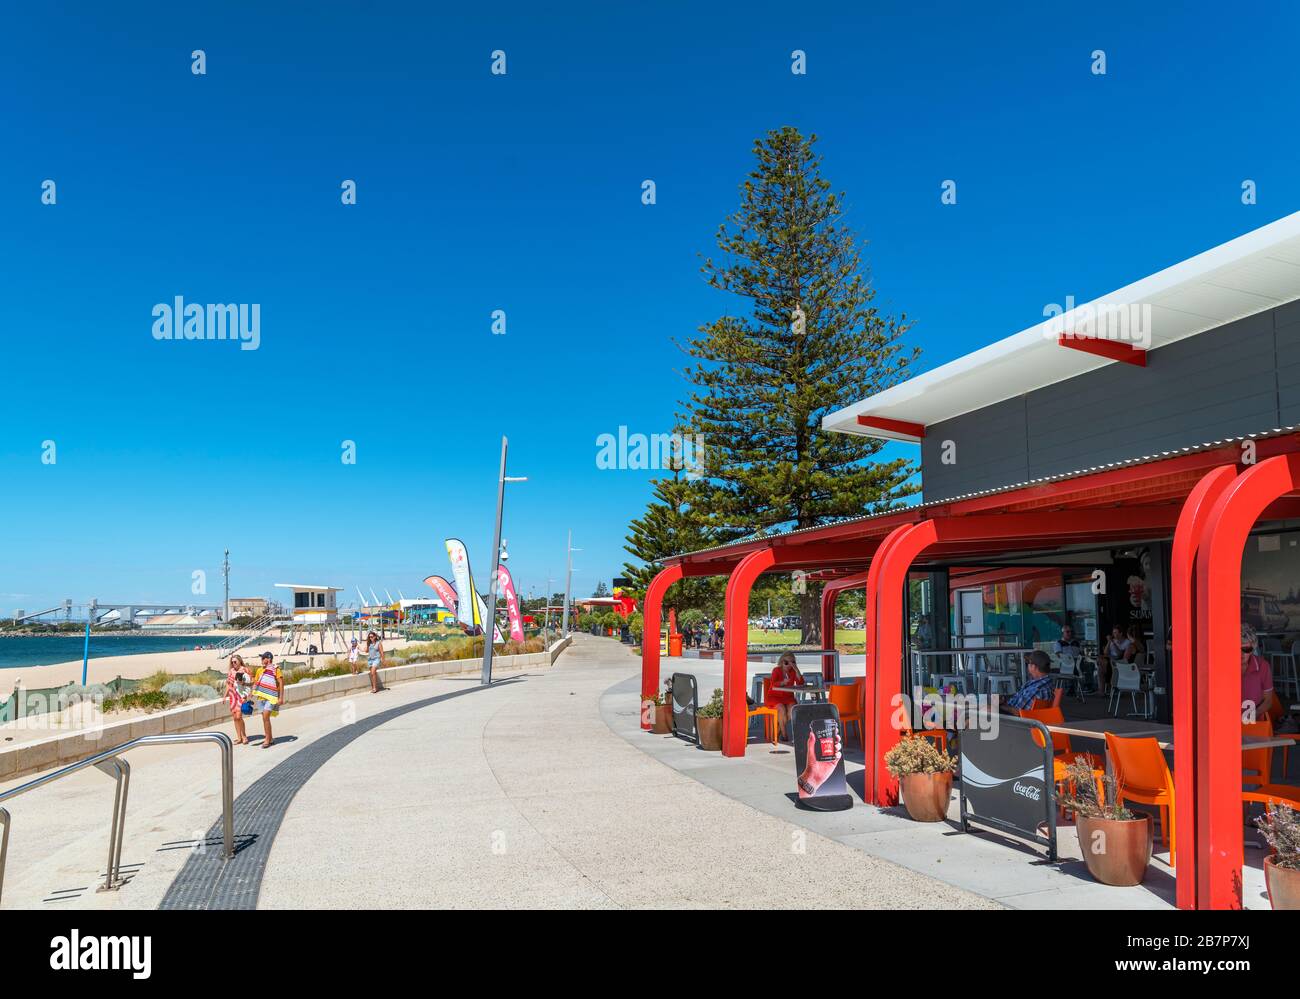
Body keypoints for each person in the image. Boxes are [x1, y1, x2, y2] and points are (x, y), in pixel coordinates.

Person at [1240, 622, 1277, 722]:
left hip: (1254, 723)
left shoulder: (1262, 666)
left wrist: (1252, 715)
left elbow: (1268, 701)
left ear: (1253, 649)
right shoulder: (1220, 667)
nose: (1241, 654)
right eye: (1236, 648)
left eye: (1246, 649)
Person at [764, 651, 805, 740]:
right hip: (775, 696)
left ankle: (777, 731)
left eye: (792, 662)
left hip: (788, 697)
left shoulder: (793, 671)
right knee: (781, 709)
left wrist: (796, 669)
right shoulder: (776, 670)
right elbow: (773, 684)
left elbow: (800, 683)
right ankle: (785, 735)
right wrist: (783, 682)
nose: (789, 665)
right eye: (786, 662)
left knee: (792, 709)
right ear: (782, 662)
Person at [252, 651, 284, 749]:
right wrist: (251, 693)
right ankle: (270, 738)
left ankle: (267, 740)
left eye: (263, 658)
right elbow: (256, 683)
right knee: (265, 719)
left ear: (268, 659)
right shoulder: (259, 670)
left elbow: (281, 683)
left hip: (271, 697)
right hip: (261, 697)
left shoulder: (276, 669)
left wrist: (281, 697)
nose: (261, 660)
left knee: (265, 717)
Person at [1098, 624, 1135, 694]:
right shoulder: (1112, 641)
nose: (1114, 634)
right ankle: (1102, 691)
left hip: (1119, 662)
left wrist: (1113, 643)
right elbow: (1105, 652)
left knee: (1103, 666)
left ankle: (1108, 687)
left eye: (1116, 632)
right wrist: (1109, 642)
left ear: (1120, 633)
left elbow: (1119, 654)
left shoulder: (1126, 642)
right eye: (1113, 633)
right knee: (1100, 667)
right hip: (1110, 661)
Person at [225, 654, 250, 746]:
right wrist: (225, 696)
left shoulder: (245, 670)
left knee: (239, 716)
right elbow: (228, 684)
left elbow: (251, 683)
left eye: (235, 661)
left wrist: (247, 696)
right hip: (232, 695)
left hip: (241, 695)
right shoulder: (231, 671)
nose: (233, 663)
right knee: (235, 717)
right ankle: (239, 737)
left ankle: (244, 736)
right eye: (232, 662)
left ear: (240, 661)